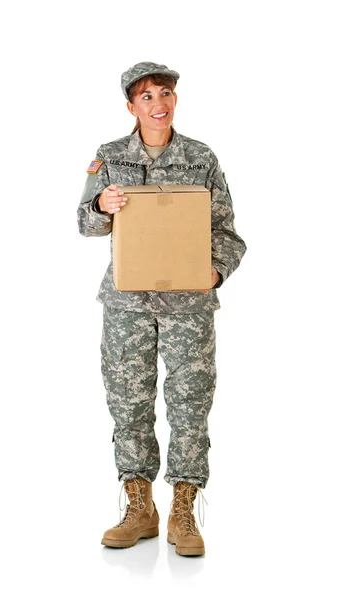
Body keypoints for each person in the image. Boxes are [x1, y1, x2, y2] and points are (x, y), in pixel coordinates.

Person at [77, 61, 247, 556]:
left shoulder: (201, 157)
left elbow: (228, 234)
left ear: (176, 100)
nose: (158, 103)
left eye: (166, 93)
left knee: (190, 404)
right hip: (127, 303)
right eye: (147, 96)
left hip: (188, 305)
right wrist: (101, 207)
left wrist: (211, 274)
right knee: (128, 403)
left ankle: (184, 510)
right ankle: (139, 506)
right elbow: (85, 225)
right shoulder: (109, 156)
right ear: (131, 107)